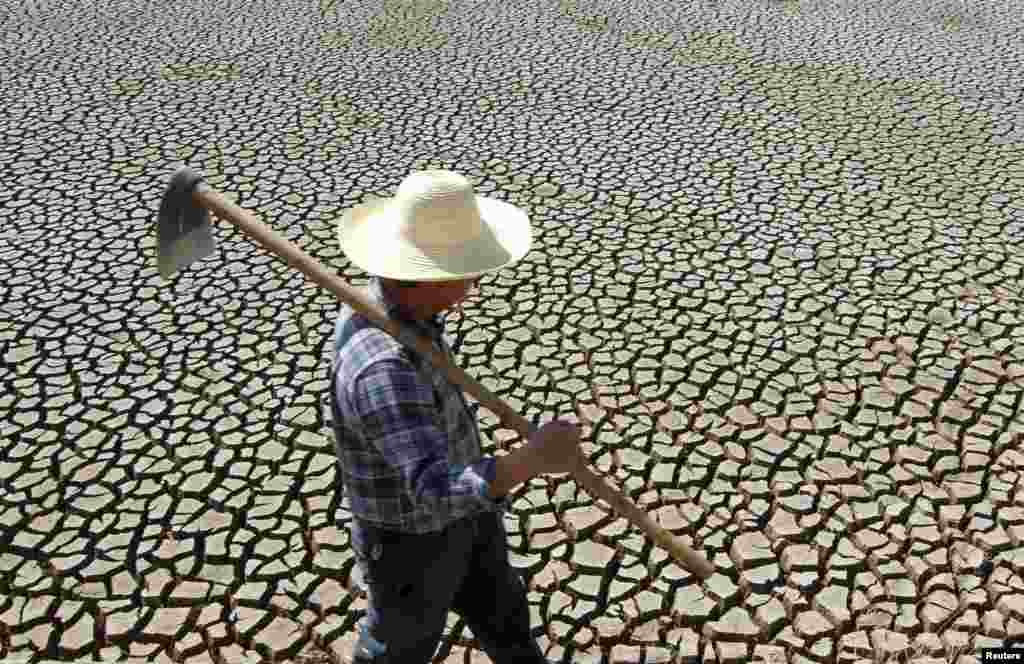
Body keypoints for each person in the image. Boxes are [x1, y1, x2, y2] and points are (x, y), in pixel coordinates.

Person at [328, 170, 584, 663]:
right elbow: (436, 489)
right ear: (424, 275)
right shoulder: (383, 367)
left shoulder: (405, 311)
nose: (476, 283)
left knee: (503, 616)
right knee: (400, 649)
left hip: (471, 514)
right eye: (467, 272)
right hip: (411, 541)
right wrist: (535, 457)